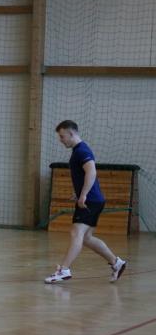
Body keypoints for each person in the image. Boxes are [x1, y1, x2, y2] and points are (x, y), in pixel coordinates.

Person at [45, 120, 127, 283]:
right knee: (86, 237)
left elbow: (91, 172)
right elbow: (84, 175)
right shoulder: (78, 151)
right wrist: (79, 193)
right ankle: (116, 263)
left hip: (91, 200)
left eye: (62, 136)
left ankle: (64, 270)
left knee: (76, 233)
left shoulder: (82, 150)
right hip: (94, 199)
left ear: (71, 133)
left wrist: (83, 195)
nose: (61, 140)